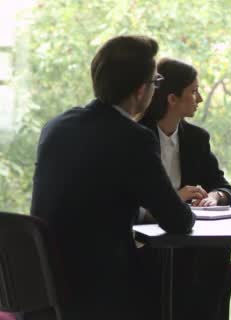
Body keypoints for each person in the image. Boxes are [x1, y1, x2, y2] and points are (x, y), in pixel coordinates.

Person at [30, 35, 195, 320]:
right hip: (101, 293)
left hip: (41, 291)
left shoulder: (56, 126)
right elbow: (177, 220)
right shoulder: (133, 138)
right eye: (156, 83)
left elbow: (89, 203)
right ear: (141, 90)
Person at [139, 57, 231, 320]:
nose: (200, 98)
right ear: (172, 98)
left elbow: (225, 188)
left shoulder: (196, 138)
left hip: (191, 238)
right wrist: (174, 199)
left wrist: (215, 196)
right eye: (193, 91)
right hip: (146, 241)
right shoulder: (136, 136)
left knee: (218, 251)